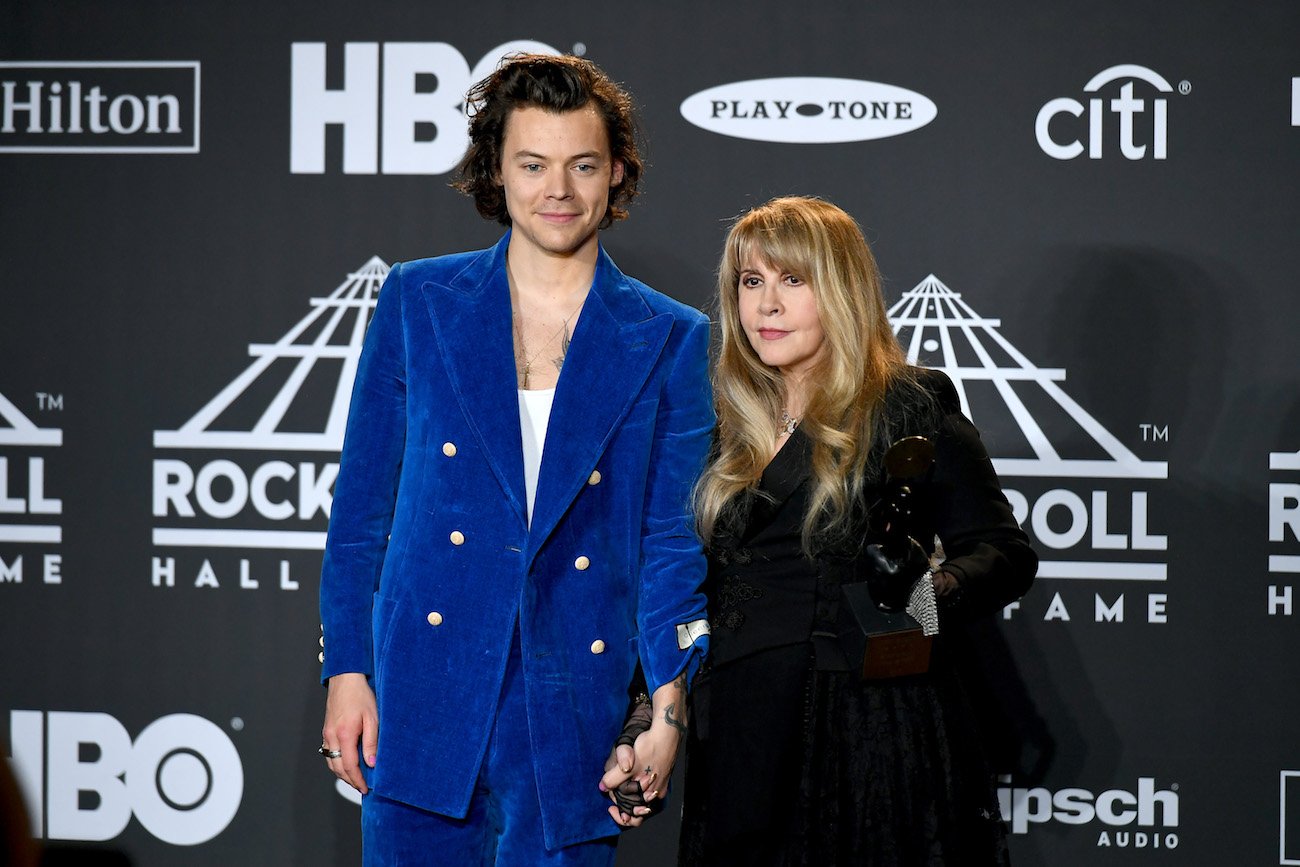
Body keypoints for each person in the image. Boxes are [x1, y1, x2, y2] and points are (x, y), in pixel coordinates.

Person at [318, 53, 712, 866]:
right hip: (423, 695)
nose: (557, 190)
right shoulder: (418, 301)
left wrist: (667, 713)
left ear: (616, 175)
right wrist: (347, 670)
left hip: (575, 709)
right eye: (532, 164)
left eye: (582, 165)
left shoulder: (672, 338)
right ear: (497, 170)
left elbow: (670, 540)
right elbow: (362, 514)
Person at [678, 196, 1037, 865]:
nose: (767, 306)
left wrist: (925, 593)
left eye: (793, 280)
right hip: (741, 731)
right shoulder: (713, 420)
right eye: (751, 282)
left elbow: (1003, 552)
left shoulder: (906, 407)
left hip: (867, 729)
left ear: (841, 290)